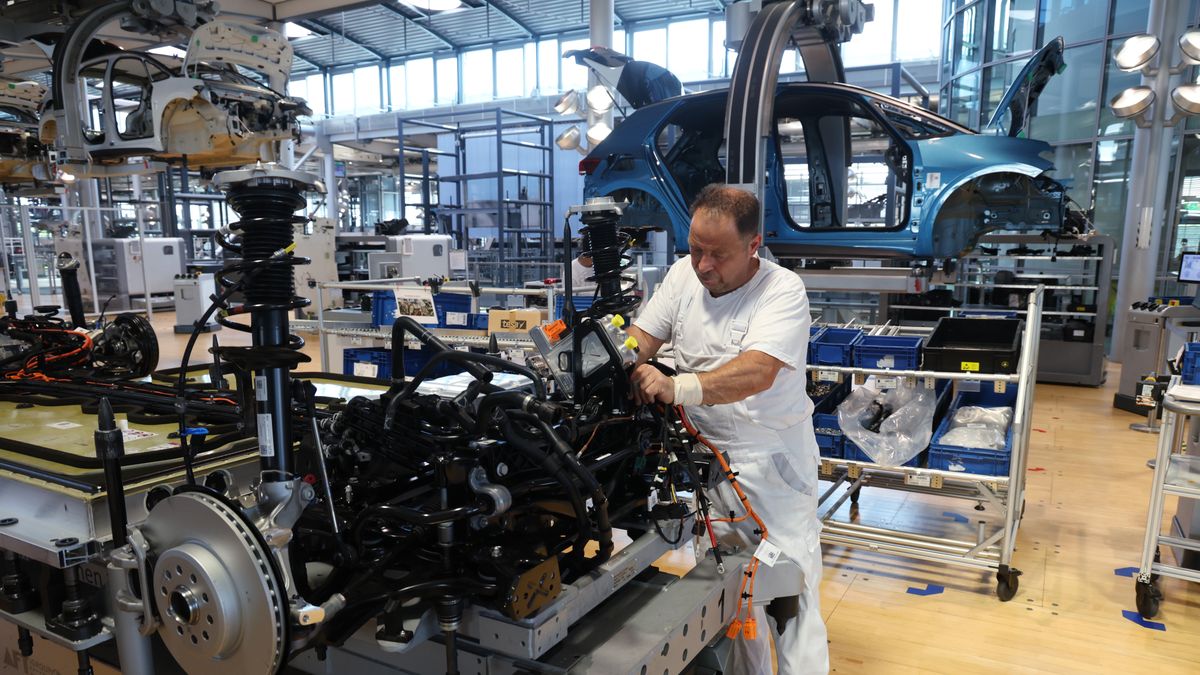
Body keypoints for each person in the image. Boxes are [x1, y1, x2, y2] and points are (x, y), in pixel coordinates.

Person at [624, 184, 828, 674]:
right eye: (696, 248)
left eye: (718, 254)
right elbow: (642, 336)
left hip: (772, 469)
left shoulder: (782, 290)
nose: (703, 265)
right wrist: (617, 356)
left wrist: (676, 387)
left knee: (790, 601)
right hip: (710, 467)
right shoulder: (682, 276)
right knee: (731, 600)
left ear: (754, 245)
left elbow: (757, 371)